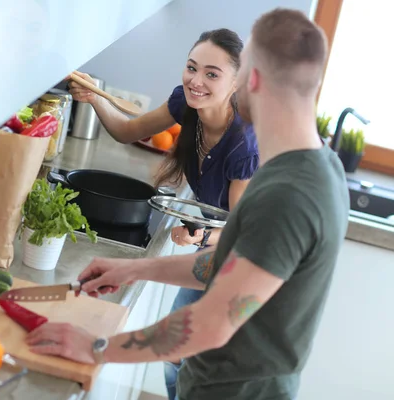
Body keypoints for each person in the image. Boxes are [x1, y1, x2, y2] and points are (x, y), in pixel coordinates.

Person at [26, 8, 350, 400]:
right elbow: (231, 261)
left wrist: (97, 348)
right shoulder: (319, 167)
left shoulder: (288, 195)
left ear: (253, 79)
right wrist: (135, 269)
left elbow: (212, 323)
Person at [70, 31, 258, 398]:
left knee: (195, 367)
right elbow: (127, 131)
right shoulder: (187, 105)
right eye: (191, 68)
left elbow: (243, 230)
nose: (196, 80)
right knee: (177, 360)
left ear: (236, 81)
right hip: (212, 259)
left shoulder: (243, 146)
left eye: (212, 74)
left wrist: (201, 236)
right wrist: (94, 98)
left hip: (243, 267)